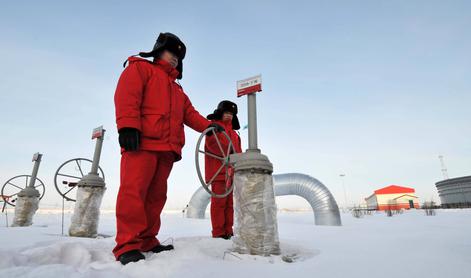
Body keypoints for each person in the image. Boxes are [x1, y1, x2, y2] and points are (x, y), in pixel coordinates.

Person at [113, 32, 223, 265]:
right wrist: (127, 127)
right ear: (158, 50)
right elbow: (127, 96)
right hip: (141, 143)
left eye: (178, 57)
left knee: (156, 197)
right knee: (134, 193)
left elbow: (191, 115)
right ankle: (127, 245)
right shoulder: (140, 69)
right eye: (171, 53)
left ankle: (147, 240)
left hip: (166, 149)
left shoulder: (178, 91)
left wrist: (211, 126)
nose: (174, 59)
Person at [205, 100, 242, 239]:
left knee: (229, 204)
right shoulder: (214, 129)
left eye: (231, 114)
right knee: (219, 203)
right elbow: (212, 146)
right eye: (226, 113)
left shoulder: (235, 134)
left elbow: (238, 152)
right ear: (220, 113)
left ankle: (228, 230)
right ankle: (219, 232)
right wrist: (230, 154)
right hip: (218, 172)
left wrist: (239, 161)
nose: (229, 116)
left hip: (231, 173)